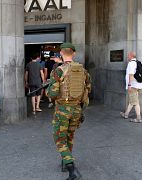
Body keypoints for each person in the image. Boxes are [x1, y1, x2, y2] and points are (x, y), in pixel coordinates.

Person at [47, 43, 91, 180]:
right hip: (77, 109)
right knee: (69, 136)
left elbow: (52, 94)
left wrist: (49, 89)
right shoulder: (83, 71)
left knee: (59, 138)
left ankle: (72, 170)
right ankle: (65, 163)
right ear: (74, 54)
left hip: (62, 110)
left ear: (61, 53)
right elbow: (88, 88)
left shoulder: (59, 71)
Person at [120, 51, 142, 123]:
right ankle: (126, 114)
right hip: (139, 85)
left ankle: (138, 118)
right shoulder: (138, 63)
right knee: (132, 101)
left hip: (133, 85)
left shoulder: (131, 64)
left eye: (128, 56)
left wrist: (129, 85)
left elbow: (131, 75)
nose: (127, 57)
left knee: (135, 102)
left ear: (131, 56)